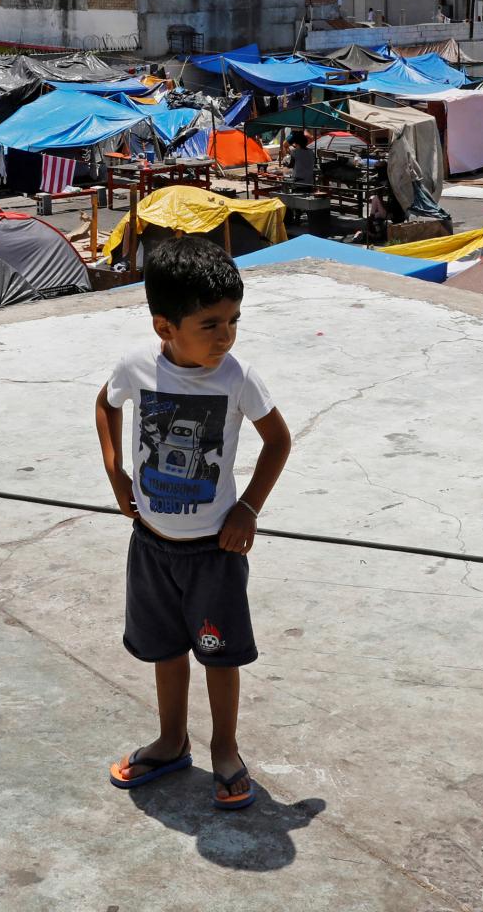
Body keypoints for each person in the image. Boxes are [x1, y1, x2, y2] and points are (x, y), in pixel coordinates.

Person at [95, 237, 292, 811]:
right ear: (165, 327)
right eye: (210, 325)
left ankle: (225, 749)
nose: (226, 336)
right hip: (151, 544)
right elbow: (107, 404)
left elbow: (278, 441)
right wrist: (116, 473)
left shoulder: (238, 377)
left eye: (233, 320)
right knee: (165, 649)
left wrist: (248, 508)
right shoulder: (136, 366)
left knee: (220, 655)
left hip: (214, 552)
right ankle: (171, 740)